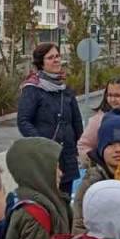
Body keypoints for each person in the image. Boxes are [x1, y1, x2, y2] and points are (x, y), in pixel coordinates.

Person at [18, 43, 84, 197]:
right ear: (41, 63)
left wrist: (77, 147)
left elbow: (76, 122)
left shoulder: (65, 89)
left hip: (66, 157)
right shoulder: (32, 89)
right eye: (50, 58)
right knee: (45, 204)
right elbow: (23, 121)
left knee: (64, 203)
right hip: (44, 158)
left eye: (57, 56)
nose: (56, 60)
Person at [73, 113, 120, 235]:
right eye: (111, 144)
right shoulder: (91, 182)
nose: (118, 149)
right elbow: (79, 224)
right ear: (101, 148)